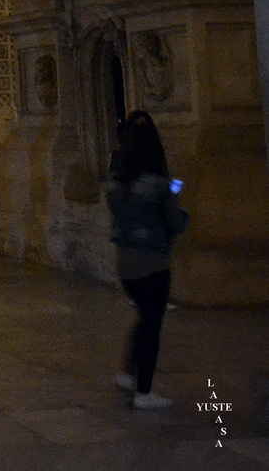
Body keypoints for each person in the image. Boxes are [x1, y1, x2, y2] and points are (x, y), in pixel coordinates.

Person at [106, 111, 189, 409]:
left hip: (125, 263)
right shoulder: (160, 185)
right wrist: (176, 193)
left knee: (144, 316)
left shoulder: (115, 184)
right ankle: (145, 391)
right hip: (153, 263)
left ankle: (127, 373)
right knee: (152, 324)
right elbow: (175, 223)